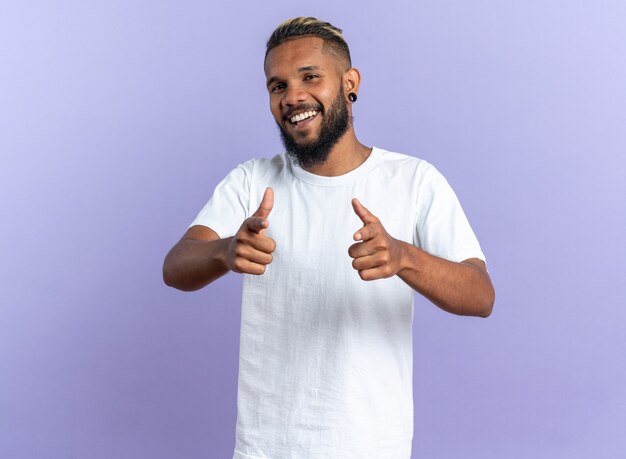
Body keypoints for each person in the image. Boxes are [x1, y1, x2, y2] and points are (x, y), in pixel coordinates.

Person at [163, 16, 494, 459]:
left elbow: (480, 295)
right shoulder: (252, 181)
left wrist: (403, 258)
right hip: (265, 448)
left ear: (350, 83)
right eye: (276, 85)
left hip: (371, 447)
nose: (293, 96)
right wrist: (225, 250)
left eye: (310, 77)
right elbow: (176, 266)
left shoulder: (413, 180)